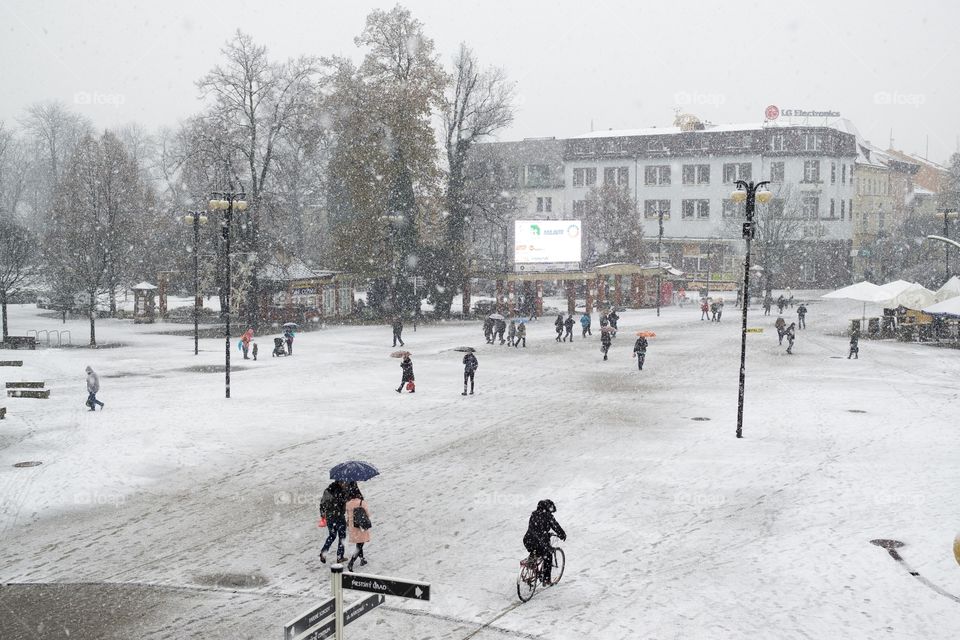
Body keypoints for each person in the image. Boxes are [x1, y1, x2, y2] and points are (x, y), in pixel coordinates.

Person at [523, 499, 566, 586]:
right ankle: (546, 579)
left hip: (528, 540)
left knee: (536, 551)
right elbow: (555, 526)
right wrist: (562, 534)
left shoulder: (534, 514)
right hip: (540, 542)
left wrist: (545, 533)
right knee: (548, 555)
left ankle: (532, 562)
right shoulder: (548, 516)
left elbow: (536, 528)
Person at [319, 480, 348, 563]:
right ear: (339, 483)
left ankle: (323, 553)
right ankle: (340, 557)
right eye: (343, 483)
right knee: (342, 536)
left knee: (332, 536)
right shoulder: (341, 492)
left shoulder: (327, 491)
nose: (345, 484)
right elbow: (343, 504)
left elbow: (322, 504)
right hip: (339, 518)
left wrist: (322, 514)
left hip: (329, 518)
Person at [344, 483, 371, 572]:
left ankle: (362, 559)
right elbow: (368, 514)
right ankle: (351, 563)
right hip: (361, 526)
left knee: (359, 543)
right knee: (359, 545)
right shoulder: (362, 503)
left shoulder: (348, 504)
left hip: (352, 527)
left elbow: (348, 515)